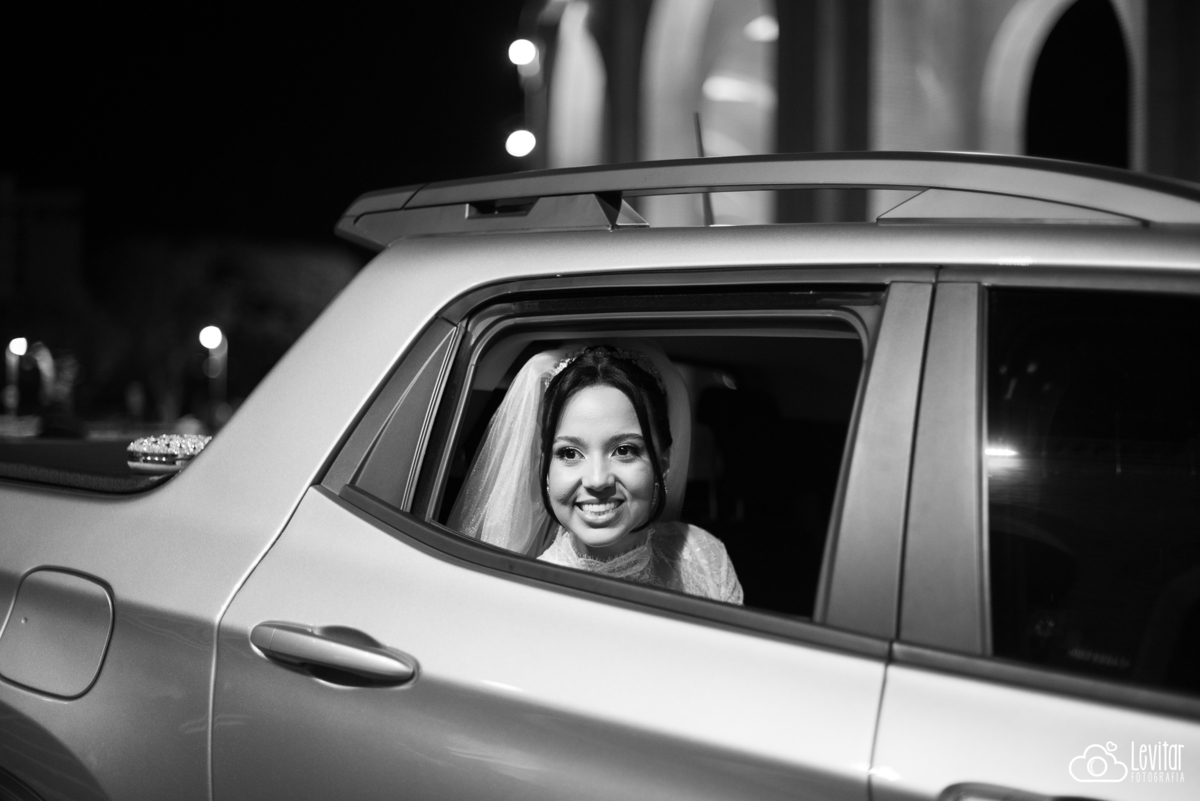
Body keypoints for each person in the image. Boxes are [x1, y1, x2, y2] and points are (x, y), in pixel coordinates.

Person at [449, 343, 742, 604]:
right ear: (546, 469)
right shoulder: (524, 600)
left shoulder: (704, 555)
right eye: (569, 454)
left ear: (662, 464)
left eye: (624, 450)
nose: (598, 480)